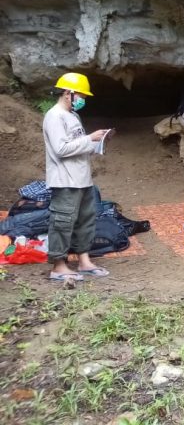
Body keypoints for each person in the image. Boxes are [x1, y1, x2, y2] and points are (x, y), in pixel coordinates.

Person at [43, 72, 112, 281]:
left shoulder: (73, 116)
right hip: (65, 180)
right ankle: (58, 265)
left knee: (85, 220)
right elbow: (61, 149)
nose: (83, 99)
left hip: (82, 179)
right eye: (80, 95)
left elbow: (77, 145)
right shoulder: (54, 116)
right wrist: (89, 138)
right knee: (62, 221)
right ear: (68, 93)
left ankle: (84, 261)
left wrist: (96, 142)